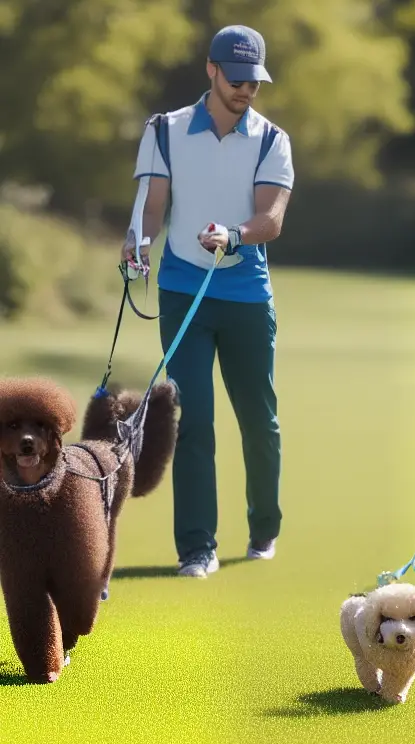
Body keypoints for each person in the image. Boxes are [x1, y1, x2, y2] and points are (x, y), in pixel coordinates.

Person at [121, 25, 295, 578]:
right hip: (181, 293)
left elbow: (271, 218)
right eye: (238, 78)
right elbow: (152, 208)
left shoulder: (272, 139)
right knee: (193, 418)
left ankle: (264, 527)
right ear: (211, 70)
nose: (247, 89)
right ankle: (198, 546)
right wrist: (138, 244)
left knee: (258, 421)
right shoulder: (165, 131)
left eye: (255, 81)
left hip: (245, 294)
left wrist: (235, 234)